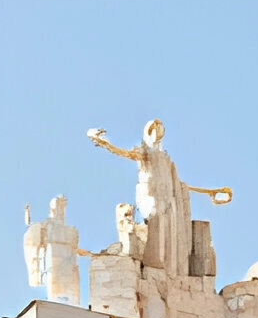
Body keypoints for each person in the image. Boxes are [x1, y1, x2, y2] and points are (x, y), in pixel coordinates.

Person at [88, 119, 231, 280]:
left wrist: (209, 191)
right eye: (153, 130)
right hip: (152, 199)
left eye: (159, 130)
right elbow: (125, 153)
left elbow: (180, 183)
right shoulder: (144, 152)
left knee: (172, 238)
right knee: (156, 225)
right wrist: (104, 143)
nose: (157, 134)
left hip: (169, 203)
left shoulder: (165, 159)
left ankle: (172, 276)